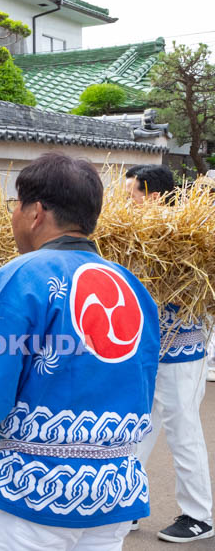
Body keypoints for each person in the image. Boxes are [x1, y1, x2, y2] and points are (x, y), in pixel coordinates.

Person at [0, 153, 160, 550]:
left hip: (37, 492)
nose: (14, 215)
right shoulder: (132, 285)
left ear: (36, 213)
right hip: (115, 489)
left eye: (16, 204)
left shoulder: (21, 276)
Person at [125, 164, 213, 543]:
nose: (127, 203)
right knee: (138, 427)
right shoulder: (139, 235)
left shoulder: (184, 236)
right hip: (148, 351)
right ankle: (127, 501)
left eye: (132, 195)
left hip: (182, 349)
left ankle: (199, 516)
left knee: (183, 430)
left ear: (155, 196)